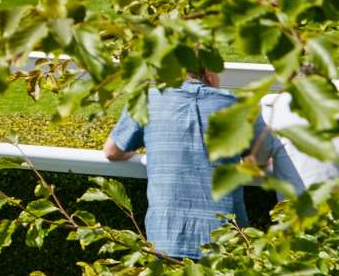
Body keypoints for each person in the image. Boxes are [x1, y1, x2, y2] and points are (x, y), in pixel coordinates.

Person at [103, 71, 268, 258]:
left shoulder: (147, 100)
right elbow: (262, 160)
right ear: (208, 72)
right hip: (226, 238)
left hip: (165, 236)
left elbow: (112, 151)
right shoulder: (241, 106)